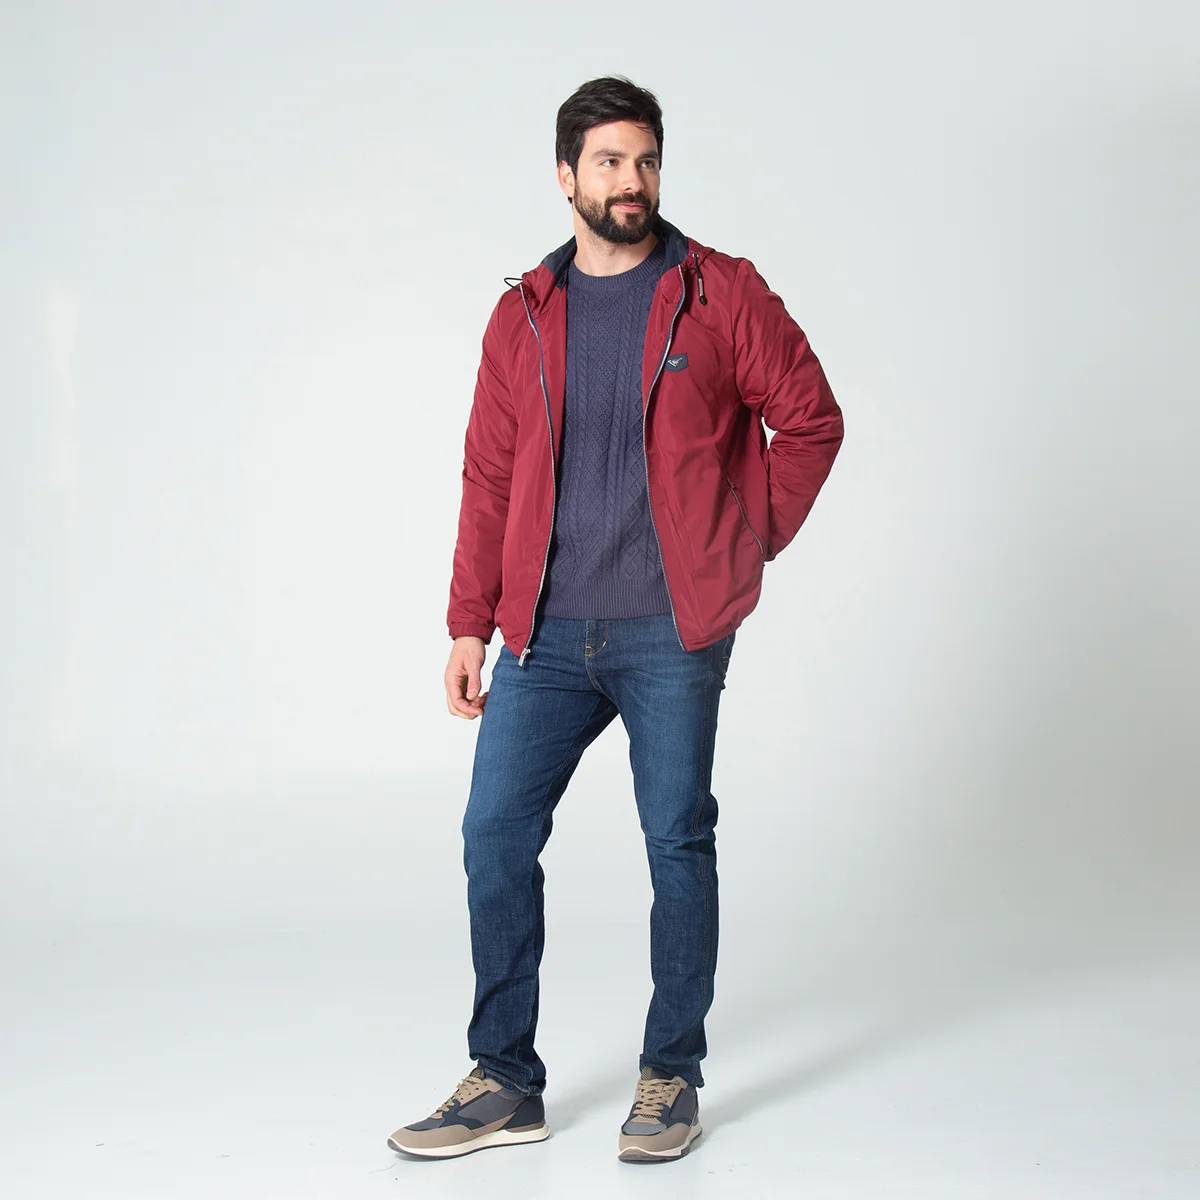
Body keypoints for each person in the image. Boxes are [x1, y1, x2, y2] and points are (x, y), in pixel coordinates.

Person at [387, 75, 844, 1164]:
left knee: (676, 839)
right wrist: (468, 622)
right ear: (566, 177)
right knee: (494, 833)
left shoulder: (719, 293)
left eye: (644, 161)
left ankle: (670, 1074)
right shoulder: (524, 313)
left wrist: (739, 541)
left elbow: (811, 421)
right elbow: (489, 473)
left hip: (668, 630)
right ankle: (506, 1080)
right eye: (608, 162)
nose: (630, 181)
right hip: (543, 632)